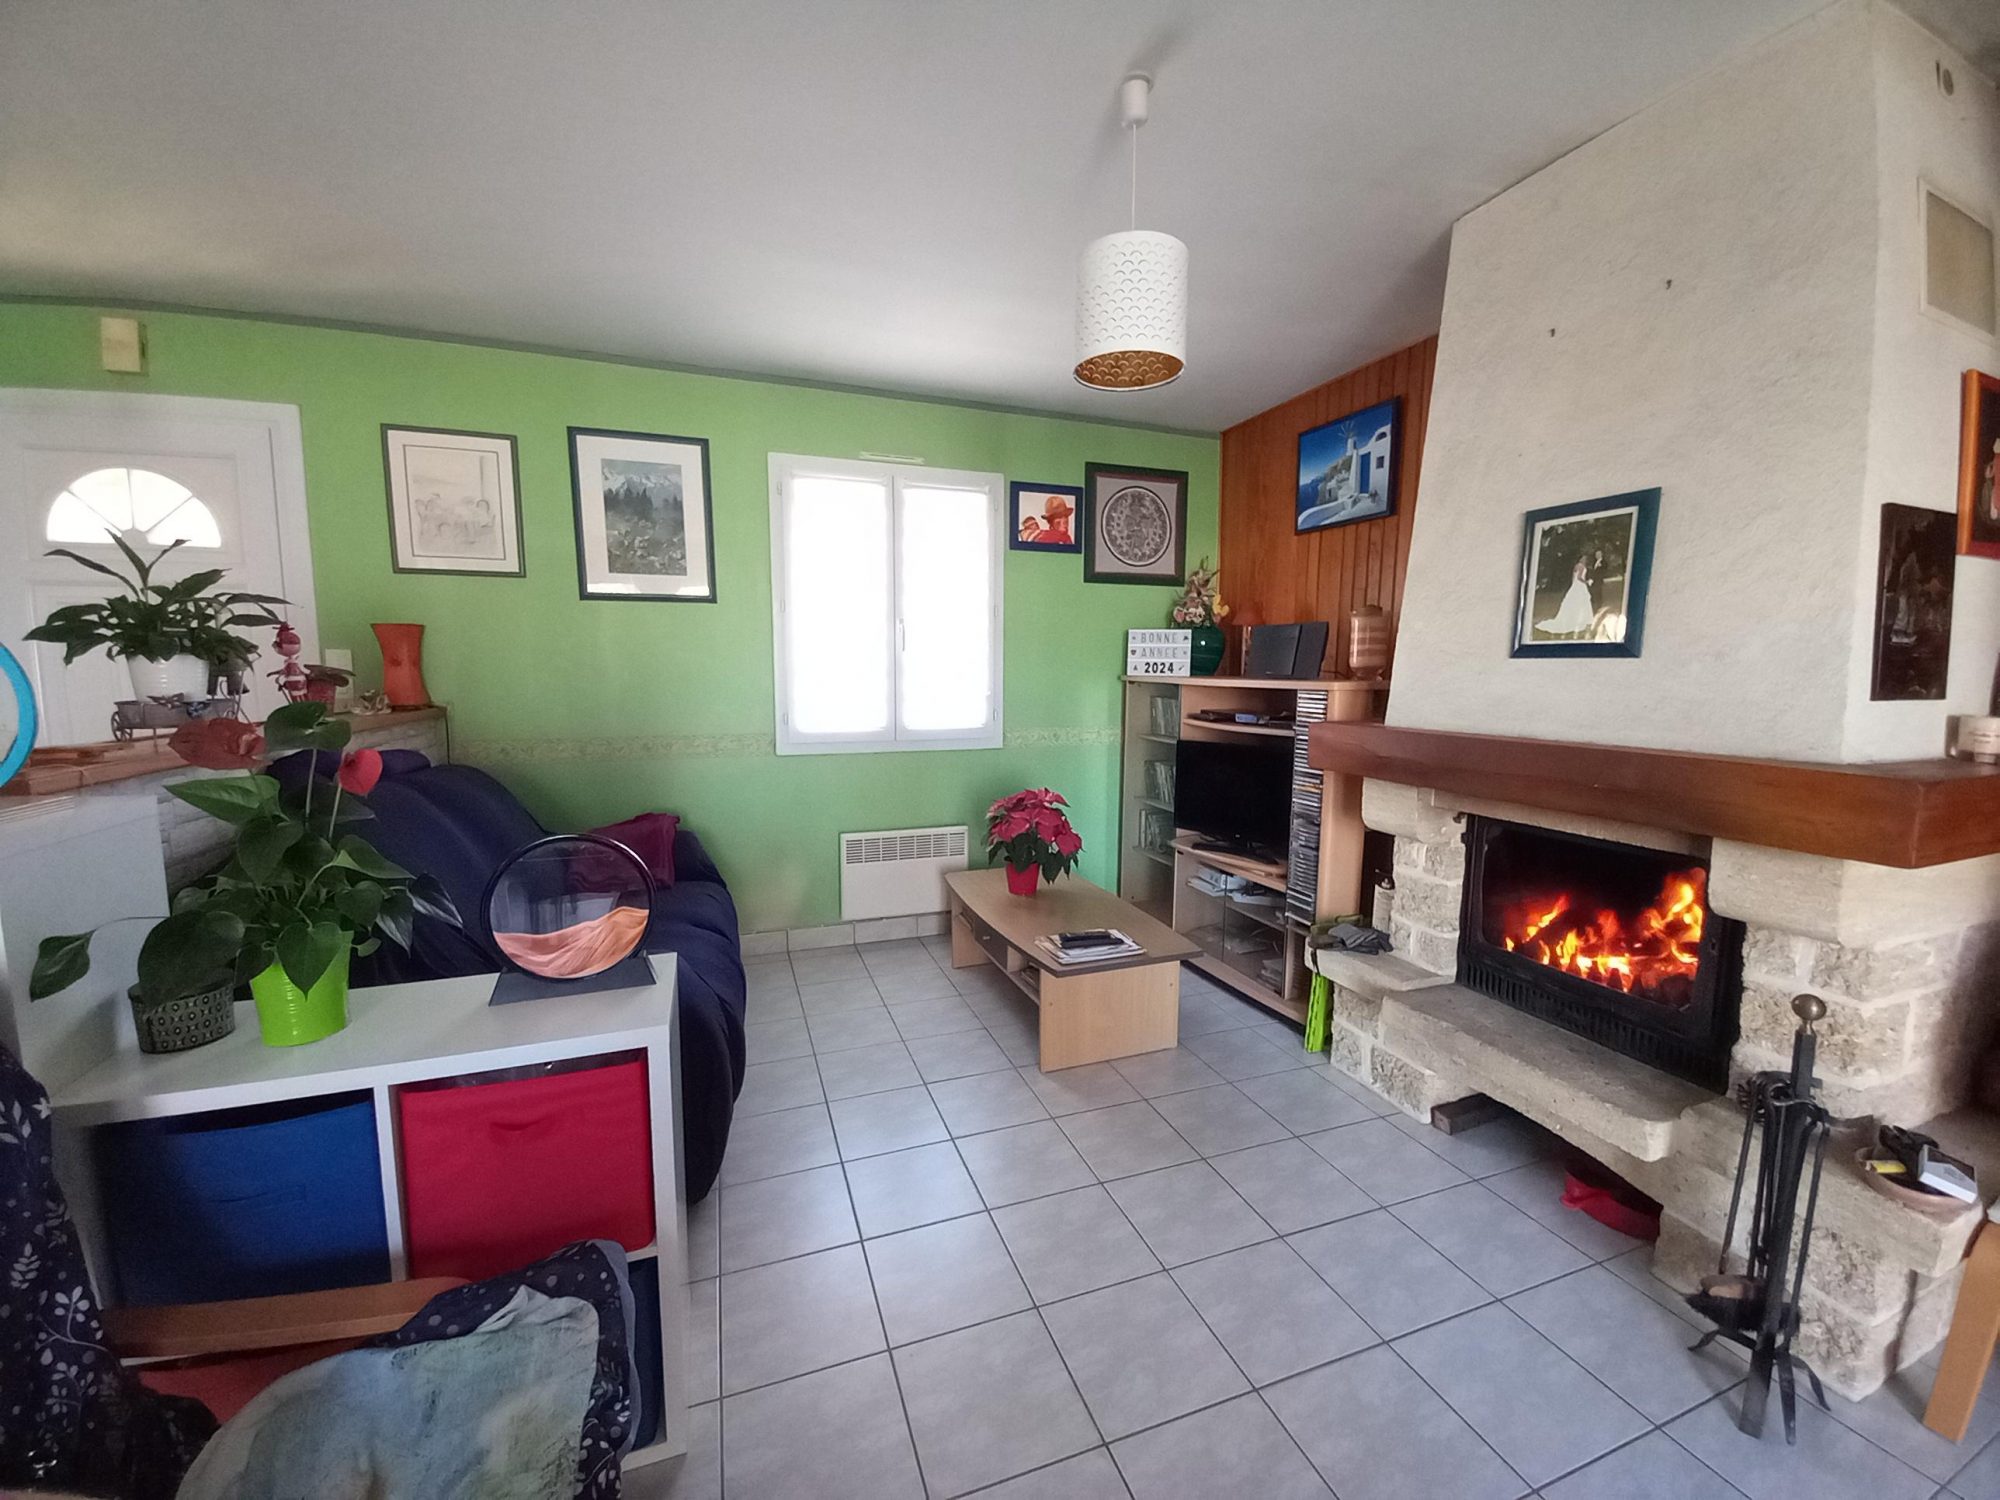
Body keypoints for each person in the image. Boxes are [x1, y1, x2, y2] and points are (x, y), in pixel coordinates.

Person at [1539, 553, 1598, 637]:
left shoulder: (1576, 566)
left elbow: (1573, 577)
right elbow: (1579, 578)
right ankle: (1581, 619)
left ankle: (1579, 618)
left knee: (1578, 602)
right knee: (1581, 602)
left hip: (1576, 586)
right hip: (1580, 586)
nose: (1585, 560)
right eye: (1583, 558)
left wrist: (1574, 585)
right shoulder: (1581, 566)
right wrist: (1587, 582)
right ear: (1580, 559)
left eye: (1585, 558)